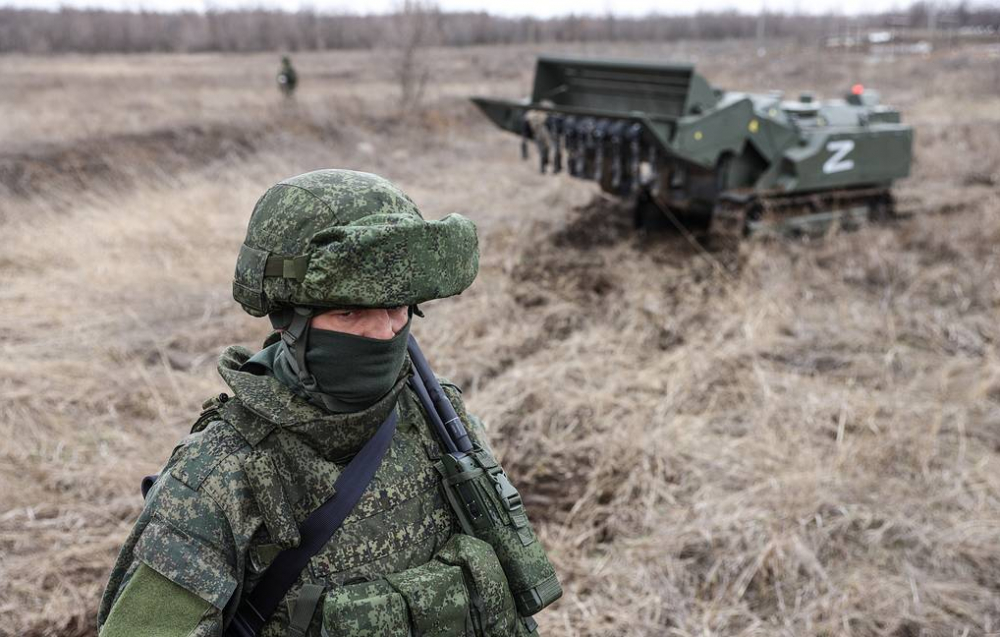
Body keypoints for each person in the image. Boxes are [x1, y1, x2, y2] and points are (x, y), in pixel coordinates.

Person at [96, 169, 559, 637]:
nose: (383, 332)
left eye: (397, 307)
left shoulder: (437, 420)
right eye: (350, 311)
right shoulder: (220, 479)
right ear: (287, 320)